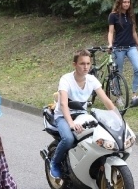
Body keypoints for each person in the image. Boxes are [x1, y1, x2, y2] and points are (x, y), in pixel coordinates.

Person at [49, 49, 118, 179]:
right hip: (64, 116)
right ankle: (55, 162)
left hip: (81, 114)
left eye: (88, 63)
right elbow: (63, 104)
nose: (86, 67)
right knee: (69, 139)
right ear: (74, 64)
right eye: (82, 64)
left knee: (97, 137)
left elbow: (106, 100)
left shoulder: (92, 80)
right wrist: (71, 123)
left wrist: (117, 117)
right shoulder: (66, 79)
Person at [108, 0, 138, 108]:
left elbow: (133, 32)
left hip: (131, 47)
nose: (126, 4)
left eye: (128, 2)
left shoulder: (131, 16)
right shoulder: (113, 16)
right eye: (124, 2)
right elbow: (110, 32)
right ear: (120, 2)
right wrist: (110, 44)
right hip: (118, 48)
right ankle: (118, 97)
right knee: (118, 73)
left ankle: (134, 95)